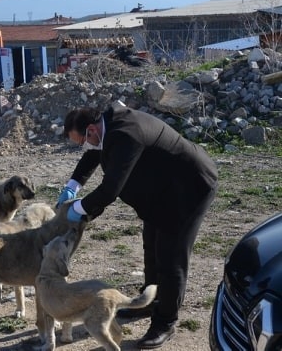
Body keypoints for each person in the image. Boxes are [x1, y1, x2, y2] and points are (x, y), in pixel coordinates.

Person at [56, 105, 218, 349]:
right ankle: (149, 302)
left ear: (90, 130)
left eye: (81, 142)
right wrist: (73, 185)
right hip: (162, 190)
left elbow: (110, 189)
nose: (84, 148)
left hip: (189, 187)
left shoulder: (126, 134)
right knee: (151, 247)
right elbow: (93, 154)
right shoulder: (105, 127)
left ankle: (165, 322)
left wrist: (77, 209)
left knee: (170, 257)